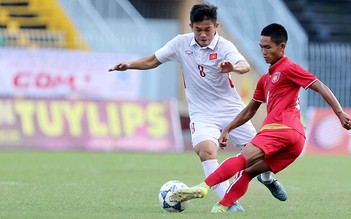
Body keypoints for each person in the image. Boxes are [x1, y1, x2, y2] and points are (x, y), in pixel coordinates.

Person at [109, 4, 288, 211]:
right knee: (206, 152)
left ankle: (266, 179)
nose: (203, 34)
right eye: (198, 30)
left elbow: (244, 65)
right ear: (190, 26)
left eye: (207, 30)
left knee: (260, 154)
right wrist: (128, 65)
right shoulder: (180, 44)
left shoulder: (224, 46)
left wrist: (233, 68)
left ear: (216, 26)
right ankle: (231, 204)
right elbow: (152, 60)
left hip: (231, 110)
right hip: (202, 113)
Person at [170, 23, 351, 213]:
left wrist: (339, 113)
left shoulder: (289, 68)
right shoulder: (265, 80)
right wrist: (228, 129)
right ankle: (223, 207)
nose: (264, 52)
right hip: (297, 142)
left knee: (241, 160)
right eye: (261, 47)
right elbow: (249, 111)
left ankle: (203, 187)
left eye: (268, 47)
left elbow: (319, 85)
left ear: (281, 47)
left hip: (279, 129)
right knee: (248, 173)